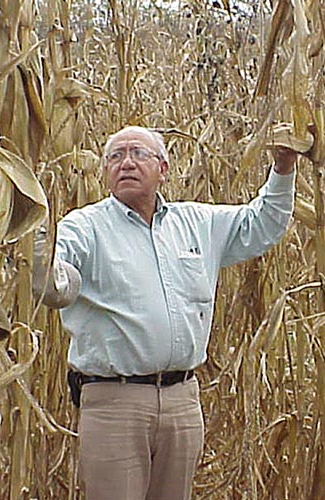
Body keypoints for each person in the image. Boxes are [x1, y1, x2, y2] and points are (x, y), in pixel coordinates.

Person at [33, 125, 297, 500]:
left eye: (138, 154)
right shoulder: (84, 227)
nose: (126, 163)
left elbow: (263, 223)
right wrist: (43, 262)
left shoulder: (198, 224)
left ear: (164, 168)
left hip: (182, 401)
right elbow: (53, 277)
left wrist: (283, 168)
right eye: (115, 156)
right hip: (114, 404)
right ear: (105, 171)